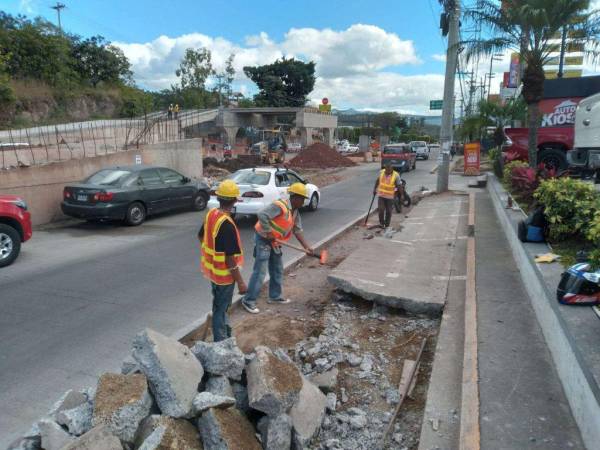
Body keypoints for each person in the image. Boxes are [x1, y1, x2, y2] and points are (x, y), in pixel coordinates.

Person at [241, 182, 314, 314]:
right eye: (302, 199)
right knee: (260, 271)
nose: (303, 202)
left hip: (275, 242)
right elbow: (262, 214)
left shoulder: (295, 212)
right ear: (295, 197)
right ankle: (248, 300)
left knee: (277, 269)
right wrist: (268, 232)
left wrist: (307, 247)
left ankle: (275, 296)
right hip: (263, 239)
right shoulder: (280, 205)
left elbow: (298, 230)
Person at [199, 179, 247, 341]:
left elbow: (201, 236)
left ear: (219, 198)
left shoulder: (211, 214)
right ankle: (221, 342)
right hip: (225, 278)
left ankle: (225, 335)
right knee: (221, 308)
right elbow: (230, 259)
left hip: (213, 273)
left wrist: (212, 256)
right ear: (234, 200)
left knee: (220, 306)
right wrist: (240, 282)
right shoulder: (227, 224)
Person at [373, 161, 402, 228]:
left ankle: (387, 224)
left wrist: (402, 195)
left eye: (389, 170)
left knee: (389, 211)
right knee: (381, 210)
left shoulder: (396, 175)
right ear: (385, 168)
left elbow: (399, 185)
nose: (387, 171)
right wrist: (375, 189)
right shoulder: (382, 172)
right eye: (386, 169)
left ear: (392, 169)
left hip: (390, 197)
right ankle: (381, 223)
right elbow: (377, 180)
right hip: (381, 196)